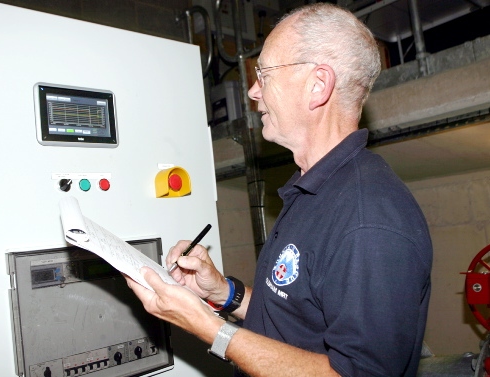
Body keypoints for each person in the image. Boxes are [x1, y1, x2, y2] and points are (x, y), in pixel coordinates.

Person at [125, 3, 432, 376]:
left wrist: (210, 329)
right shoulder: (313, 189)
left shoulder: (369, 222)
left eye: (265, 73)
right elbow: (295, 314)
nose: (253, 91)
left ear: (318, 85)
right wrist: (222, 293)